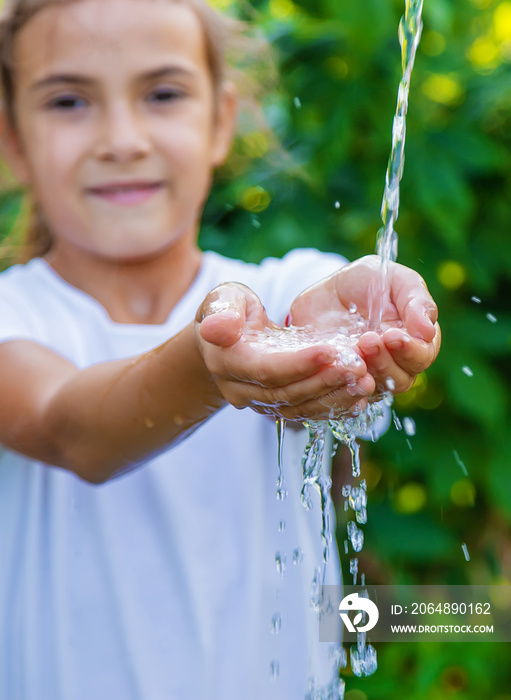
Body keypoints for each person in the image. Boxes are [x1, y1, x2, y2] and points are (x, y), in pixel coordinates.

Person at [0, 0, 440, 698]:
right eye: (68, 101)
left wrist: (371, 313)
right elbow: (71, 430)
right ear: (12, 139)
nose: (122, 138)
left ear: (221, 120)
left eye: (163, 93)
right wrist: (210, 365)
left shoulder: (290, 294)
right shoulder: (13, 319)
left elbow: (342, 308)